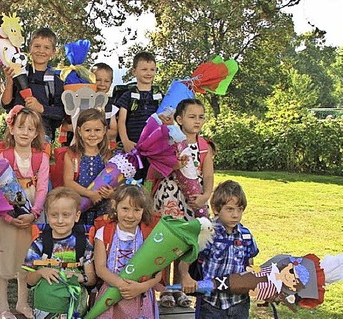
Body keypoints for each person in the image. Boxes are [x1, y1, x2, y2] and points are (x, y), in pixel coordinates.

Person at [152, 98, 214, 308]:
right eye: (192, 116)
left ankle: (180, 287)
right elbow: (156, 169)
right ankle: (164, 289)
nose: (197, 121)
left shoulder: (204, 146)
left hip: (192, 201)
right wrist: (173, 164)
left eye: (201, 117)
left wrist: (205, 197)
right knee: (167, 243)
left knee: (186, 244)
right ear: (179, 119)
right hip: (169, 198)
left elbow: (208, 175)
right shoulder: (169, 142)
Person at [0, 106, 49, 319]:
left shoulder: (41, 157)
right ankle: (2, 306)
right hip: (7, 211)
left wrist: (35, 213)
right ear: (12, 129)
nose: (25, 132)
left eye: (31, 129)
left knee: (27, 257)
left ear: (36, 133)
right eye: (21, 127)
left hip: (32, 209)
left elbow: (43, 186)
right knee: (5, 256)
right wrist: (7, 216)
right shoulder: (3, 156)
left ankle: (22, 302)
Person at [179, 180, 259, 319]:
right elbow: (185, 262)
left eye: (239, 209)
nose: (235, 215)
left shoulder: (246, 236)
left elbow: (250, 265)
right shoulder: (208, 233)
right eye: (230, 209)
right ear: (216, 209)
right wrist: (186, 277)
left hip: (239, 304)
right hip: (211, 305)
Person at [24, 187, 96, 319]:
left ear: (77, 216)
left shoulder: (83, 243)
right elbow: (29, 280)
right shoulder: (39, 242)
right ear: (47, 215)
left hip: (74, 309)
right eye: (54, 215)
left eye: (66, 215)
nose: (60, 220)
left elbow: (91, 279)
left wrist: (79, 277)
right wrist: (40, 272)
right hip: (45, 308)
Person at [92, 184, 162, 318]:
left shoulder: (149, 236)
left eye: (136, 210)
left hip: (141, 296)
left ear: (143, 210)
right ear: (115, 205)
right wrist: (123, 286)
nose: (130, 215)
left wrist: (141, 287)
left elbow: (157, 274)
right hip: (111, 295)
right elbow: (100, 269)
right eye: (125, 208)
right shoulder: (104, 233)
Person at [2, 27, 65, 142]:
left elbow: (61, 113)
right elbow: (6, 104)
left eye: (46, 47)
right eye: (37, 46)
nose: (41, 51)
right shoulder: (19, 71)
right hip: (15, 134)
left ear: (53, 52)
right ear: (30, 48)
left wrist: (41, 108)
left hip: (41, 136)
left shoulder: (56, 81)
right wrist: (10, 81)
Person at [115, 51, 162, 179]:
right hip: (133, 146)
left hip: (153, 148)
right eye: (144, 69)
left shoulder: (159, 96)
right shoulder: (128, 95)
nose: (148, 73)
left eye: (152, 69)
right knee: (132, 179)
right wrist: (125, 141)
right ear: (134, 71)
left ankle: (149, 198)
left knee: (150, 179)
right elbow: (122, 121)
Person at [62, 108, 113, 225]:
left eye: (97, 130)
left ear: (104, 130)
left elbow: (116, 181)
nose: (93, 134)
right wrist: (90, 194)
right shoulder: (72, 154)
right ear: (79, 131)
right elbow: (68, 182)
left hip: (103, 209)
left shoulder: (108, 155)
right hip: (79, 207)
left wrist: (111, 194)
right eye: (88, 130)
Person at [91, 62, 118, 147]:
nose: (102, 84)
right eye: (98, 80)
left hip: (104, 150)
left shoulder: (111, 107)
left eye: (106, 81)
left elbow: (113, 132)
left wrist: (92, 134)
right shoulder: (83, 102)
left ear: (111, 83)